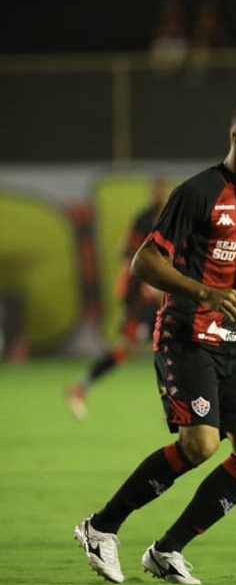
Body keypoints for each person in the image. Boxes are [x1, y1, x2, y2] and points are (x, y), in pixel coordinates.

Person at [74, 98, 236, 585]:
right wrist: (205, 291)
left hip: (234, 344)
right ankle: (100, 527)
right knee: (201, 443)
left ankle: (166, 550)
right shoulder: (198, 192)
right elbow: (144, 263)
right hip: (186, 334)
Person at [67, 176, 172, 420]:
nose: (160, 194)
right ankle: (80, 386)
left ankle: (176, 403)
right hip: (139, 293)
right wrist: (144, 275)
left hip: (155, 290)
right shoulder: (145, 218)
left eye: (164, 190)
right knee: (135, 345)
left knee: (154, 342)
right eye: (157, 190)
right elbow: (125, 249)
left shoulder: (168, 218)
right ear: (151, 192)